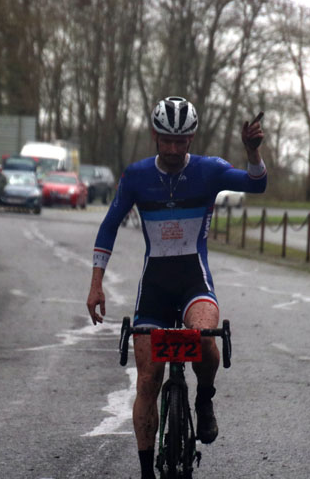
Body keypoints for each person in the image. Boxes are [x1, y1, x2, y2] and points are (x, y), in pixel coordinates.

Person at [86, 96, 267, 479]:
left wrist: (252, 152)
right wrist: (96, 284)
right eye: (165, 140)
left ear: (191, 138)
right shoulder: (136, 176)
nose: (171, 148)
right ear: (154, 135)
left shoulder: (210, 171)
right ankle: (146, 472)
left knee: (203, 338)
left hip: (193, 280)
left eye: (180, 141)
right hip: (154, 286)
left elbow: (257, 183)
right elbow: (108, 225)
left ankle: (203, 399)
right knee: (148, 378)